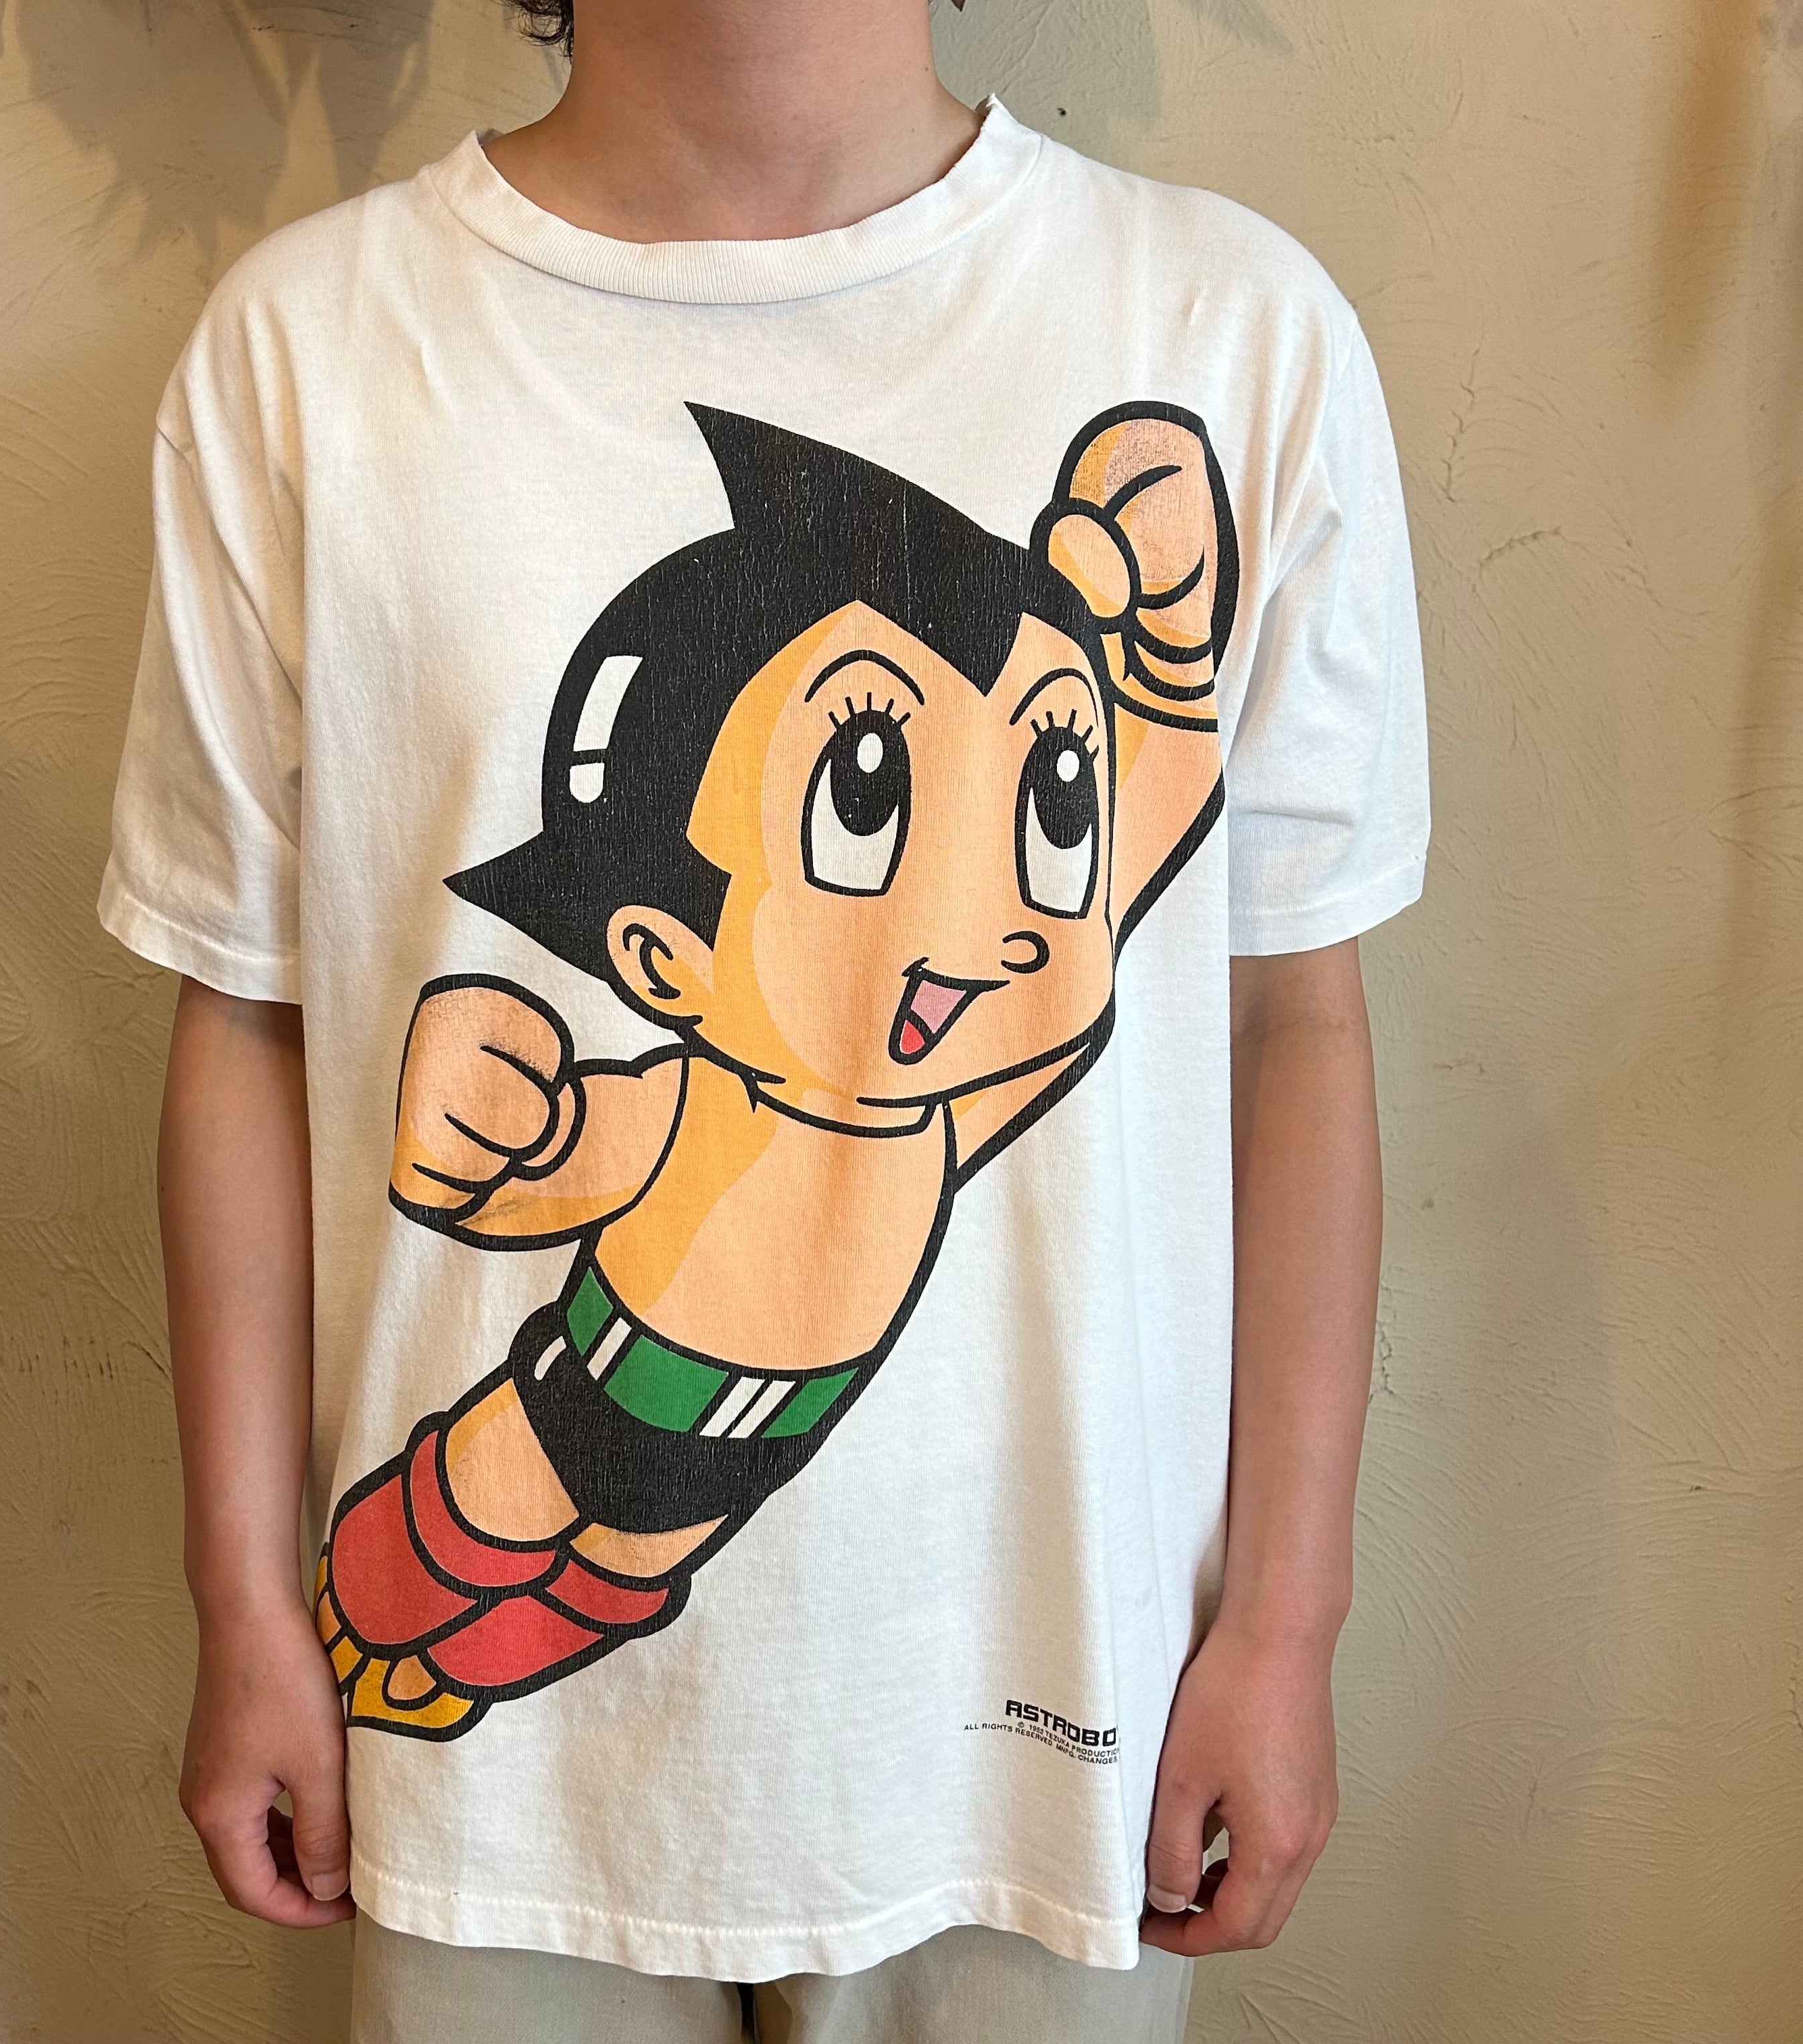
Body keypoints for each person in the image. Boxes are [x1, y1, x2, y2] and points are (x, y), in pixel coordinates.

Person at [99, 0, 1429, 2037]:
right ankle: (432, 1591)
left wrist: (1287, 1622)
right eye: (863, 794)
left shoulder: (1229, 328)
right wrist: (244, 1599)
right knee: (499, 1532)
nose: (982, 929)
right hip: (505, 1769)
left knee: (580, 1551)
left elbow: (1290, 1030)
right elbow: (247, 1022)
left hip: (1054, 1723)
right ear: (660, 954)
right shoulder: (315, 355)